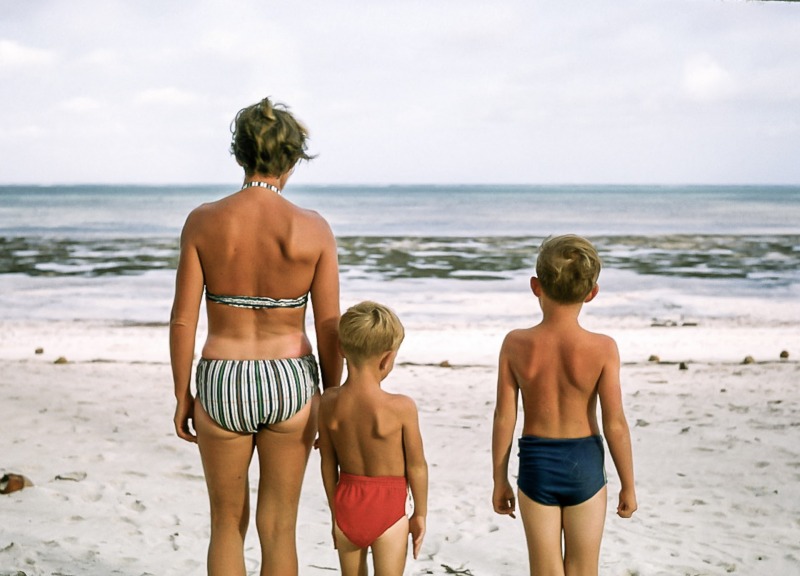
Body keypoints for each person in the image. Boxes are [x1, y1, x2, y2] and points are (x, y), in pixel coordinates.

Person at [170, 96, 342, 576]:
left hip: (222, 377)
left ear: (239, 154)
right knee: (279, 525)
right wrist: (330, 396)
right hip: (290, 379)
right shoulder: (313, 228)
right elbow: (329, 325)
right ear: (291, 161)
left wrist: (182, 392)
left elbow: (183, 319)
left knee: (226, 522)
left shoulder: (203, 220)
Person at [491, 234, 637, 576]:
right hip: (584, 463)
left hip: (537, 464)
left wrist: (499, 479)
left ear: (535, 286)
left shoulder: (515, 344)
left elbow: (504, 418)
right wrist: (628, 483)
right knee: (584, 570)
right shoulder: (603, 348)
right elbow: (615, 422)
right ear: (592, 293)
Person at [318, 301, 428, 576]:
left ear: (342, 349)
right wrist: (420, 514)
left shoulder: (328, 402)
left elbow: (327, 463)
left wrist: (336, 514)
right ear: (387, 358)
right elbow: (417, 466)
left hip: (346, 502)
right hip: (388, 507)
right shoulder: (400, 407)